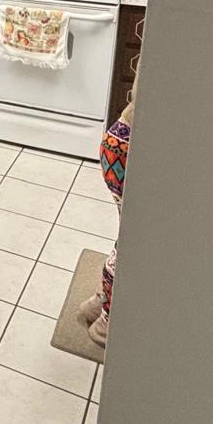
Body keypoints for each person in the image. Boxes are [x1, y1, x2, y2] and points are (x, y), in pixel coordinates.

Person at [78, 86, 132, 348]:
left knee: (127, 238)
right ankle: (106, 325)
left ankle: (99, 302)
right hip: (130, 148)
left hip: (119, 140)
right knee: (131, 245)